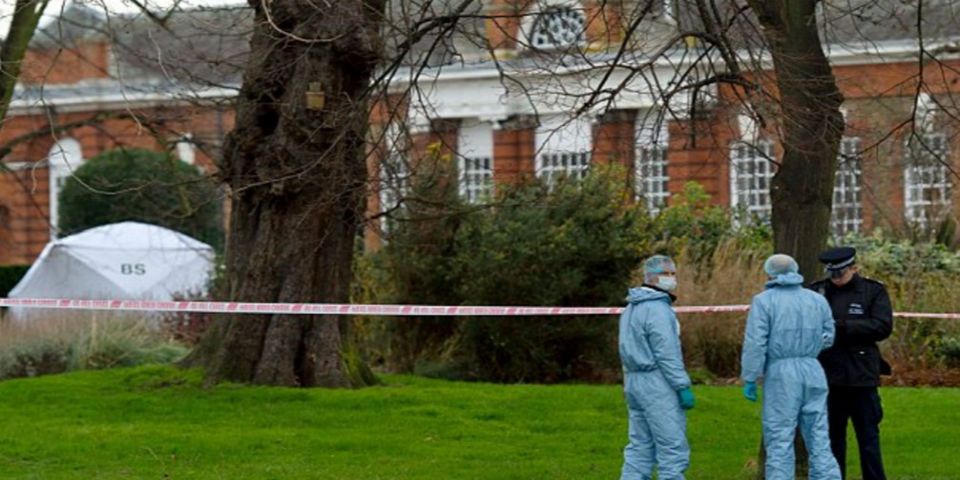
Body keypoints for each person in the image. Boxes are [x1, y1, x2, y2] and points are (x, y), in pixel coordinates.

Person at [741, 254, 841, 480]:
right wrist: (810, 347)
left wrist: (750, 376)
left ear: (769, 273)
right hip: (813, 369)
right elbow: (829, 336)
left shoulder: (764, 301)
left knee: (779, 437)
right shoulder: (816, 300)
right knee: (818, 434)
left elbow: (756, 342)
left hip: (781, 372)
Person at [810, 246, 893, 480]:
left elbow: (882, 326)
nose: (836, 279)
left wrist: (843, 326)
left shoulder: (872, 291)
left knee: (868, 438)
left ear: (854, 268)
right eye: (832, 274)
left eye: (841, 274)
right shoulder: (818, 291)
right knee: (833, 438)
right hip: (829, 375)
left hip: (861, 376)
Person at [619, 254, 695, 480]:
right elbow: (667, 352)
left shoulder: (631, 309)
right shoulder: (658, 310)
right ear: (650, 277)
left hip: (634, 383)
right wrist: (682, 385)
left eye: (673, 274)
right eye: (665, 274)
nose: (671, 278)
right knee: (672, 448)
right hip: (657, 384)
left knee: (639, 446)